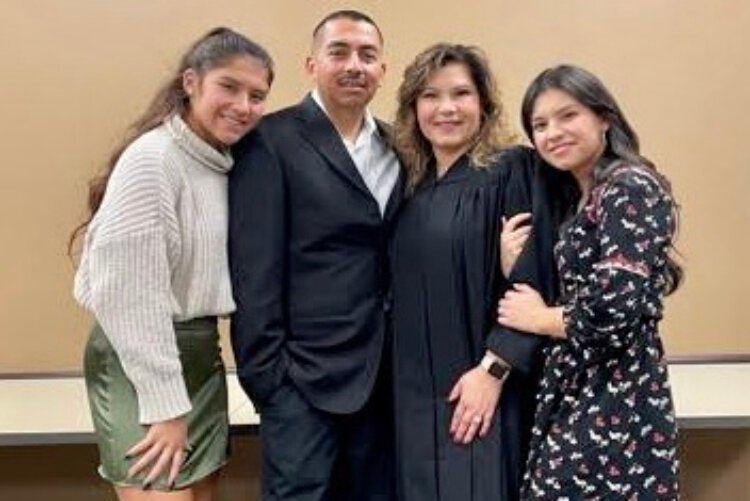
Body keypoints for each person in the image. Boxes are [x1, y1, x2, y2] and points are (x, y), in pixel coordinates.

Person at [70, 27, 274, 500]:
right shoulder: (154, 160)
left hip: (200, 356)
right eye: (229, 86)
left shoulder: (219, 162)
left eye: (257, 95)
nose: (243, 106)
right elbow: (129, 297)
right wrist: (166, 410)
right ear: (191, 82)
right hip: (140, 360)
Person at [389, 44, 575, 501]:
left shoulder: (515, 170)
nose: (446, 108)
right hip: (414, 397)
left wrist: (494, 370)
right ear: (414, 109)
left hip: (486, 386)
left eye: (461, 94)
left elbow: (536, 279)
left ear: (484, 105)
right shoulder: (410, 185)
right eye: (431, 96)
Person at [228, 10, 401, 501]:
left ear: (382, 70)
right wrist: (269, 381)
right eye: (339, 52)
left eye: (367, 55)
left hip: (383, 380)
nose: (354, 65)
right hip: (302, 382)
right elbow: (254, 270)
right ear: (311, 65)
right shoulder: (270, 142)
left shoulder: (398, 145)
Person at [497, 64, 683, 499]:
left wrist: (540, 318)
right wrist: (515, 265)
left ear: (604, 118)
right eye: (539, 125)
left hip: (616, 398)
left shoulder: (629, 187)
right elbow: (578, 288)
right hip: (576, 390)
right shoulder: (581, 197)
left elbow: (610, 312)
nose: (552, 132)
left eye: (567, 116)